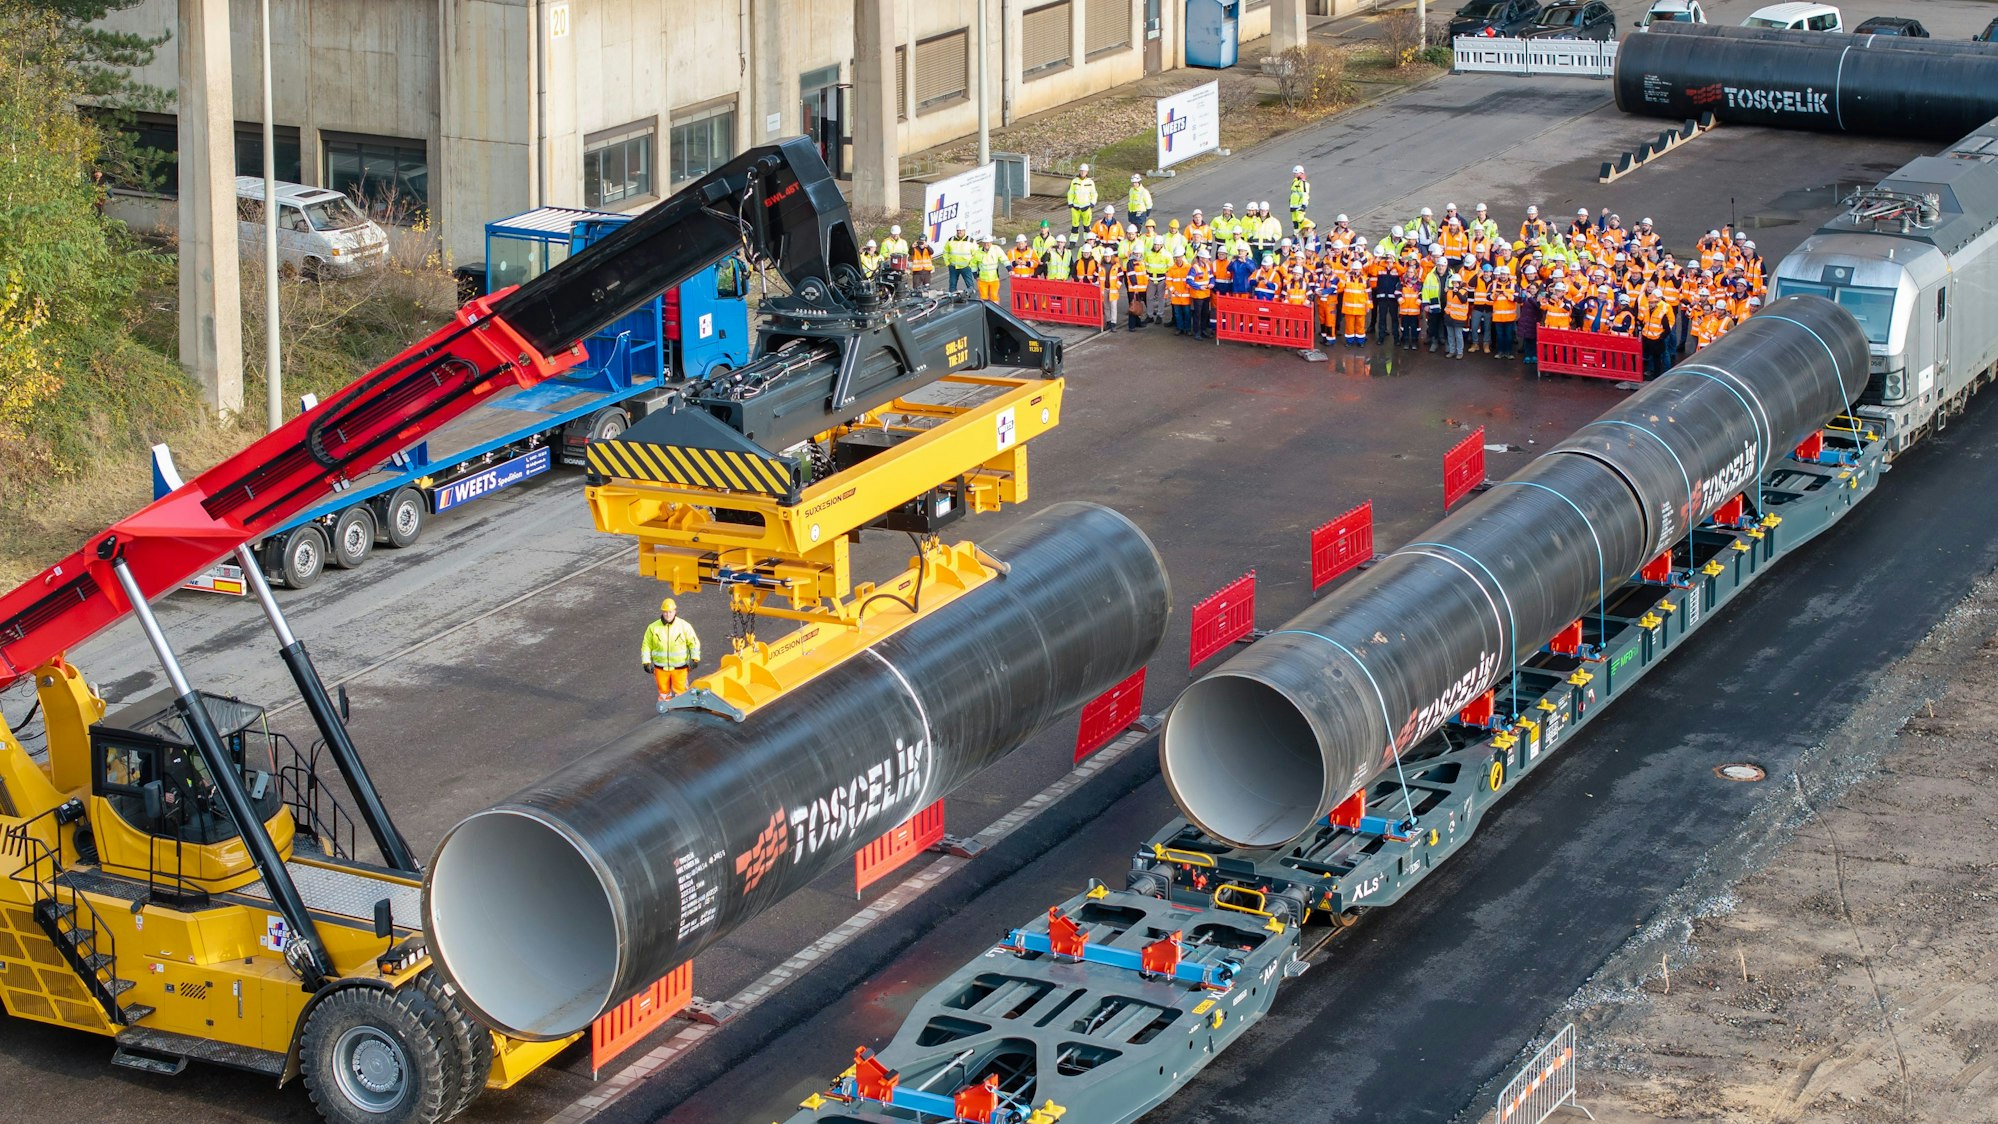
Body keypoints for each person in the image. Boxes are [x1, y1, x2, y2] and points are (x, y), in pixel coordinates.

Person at [641, 598, 701, 713]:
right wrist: (646, 662)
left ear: (675, 611)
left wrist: (695, 658)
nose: (668, 615)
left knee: (681, 691)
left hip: (680, 667)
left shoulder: (684, 626)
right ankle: (665, 710)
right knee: (663, 692)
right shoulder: (653, 628)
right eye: (665, 612)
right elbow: (646, 645)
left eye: (670, 612)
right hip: (660, 668)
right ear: (662, 612)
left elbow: (693, 642)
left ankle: (684, 711)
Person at [1066, 163, 1097, 235]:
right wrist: (1070, 203)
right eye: (1081, 171)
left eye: (1084, 171)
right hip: (1075, 207)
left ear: (1087, 172)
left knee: (1087, 226)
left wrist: (1092, 203)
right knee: (1074, 226)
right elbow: (1071, 193)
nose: (1083, 172)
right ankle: (1072, 242)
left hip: (1086, 207)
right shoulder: (1074, 181)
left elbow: (1094, 193)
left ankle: (1088, 242)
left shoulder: (1090, 182)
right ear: (1079, 171)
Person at [944, 226, 976, 293]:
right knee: (952, 284)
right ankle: (952, 299)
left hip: (966, 267)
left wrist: (971, 264)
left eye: (961, 230)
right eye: (958, 230)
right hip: (953, 267)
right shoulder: (951, 240)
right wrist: (947, 262)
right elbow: (945, 252)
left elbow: (975, 254)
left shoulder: (970, 241)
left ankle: (972, 297)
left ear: (964, 231)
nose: (959, 232)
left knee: (970, 285)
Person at [976, 235, 1005, 302]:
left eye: (988, 243)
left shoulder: (996, 250)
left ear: (991, 242)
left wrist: (1009, 268)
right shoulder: (978, 252)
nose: (986, 244)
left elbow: (1004, 259)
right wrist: (975, 275)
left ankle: (996, 311)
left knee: (994, 296)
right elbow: (973, 264)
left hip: (994, 279)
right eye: (985, 243)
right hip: (982, 280)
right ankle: (986, 311)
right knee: (983, 298)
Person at [1288, 165, 1311, 232]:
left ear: (1301, 173)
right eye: (1294, 173)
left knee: (1300, 219)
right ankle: (1296, 232)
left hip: (1299, 205)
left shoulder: (1303, 183)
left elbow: (1305, 195)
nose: (1294, 174)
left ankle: (1312, 226)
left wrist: (1303, 205)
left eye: (1296, 173)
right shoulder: (1295, 181)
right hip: (1293, 204)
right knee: (1294, 220)